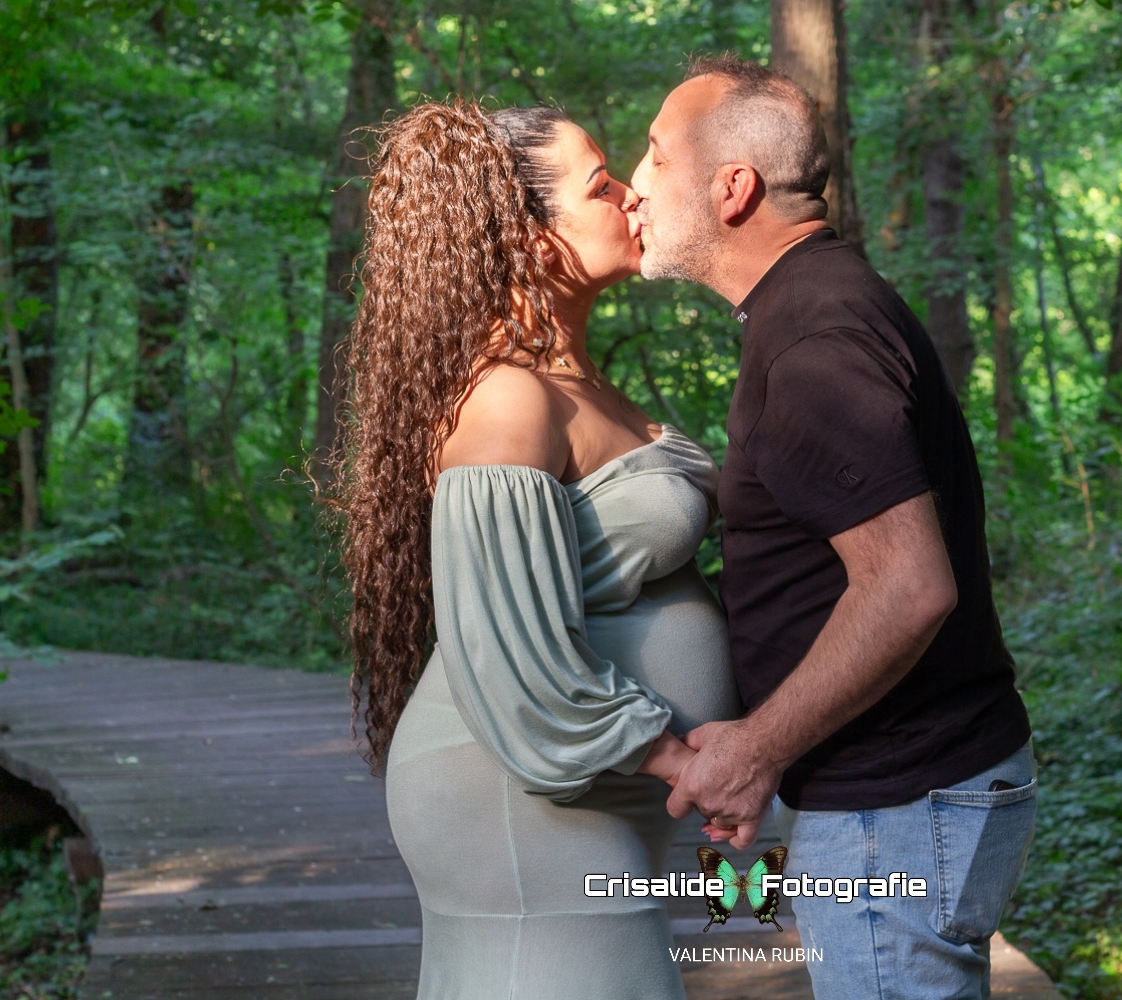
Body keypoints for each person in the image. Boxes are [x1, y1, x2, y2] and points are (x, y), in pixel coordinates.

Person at [629, 56, 1038, 1000]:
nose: (633, 184)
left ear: (732, 190)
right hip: (902, 793)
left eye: (654, 156)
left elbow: (908, 586)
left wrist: (759, 748)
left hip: (898, 805)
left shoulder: (815, 340)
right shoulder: (814, 305)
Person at [336, 99, 739, 1000]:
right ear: (524, 234)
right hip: (521, 788)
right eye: (601, 186)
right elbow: (514, 655)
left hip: (590, 786)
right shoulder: (508, 403)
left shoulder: (573, 381)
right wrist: (688, 764)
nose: (634, 197)